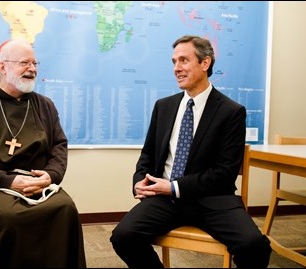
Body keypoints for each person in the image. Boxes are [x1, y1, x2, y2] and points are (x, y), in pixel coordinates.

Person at [110, 35, 272, 268]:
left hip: (213, 200)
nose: (177, 68)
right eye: (174, 61)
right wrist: (139, 181)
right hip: (165, 200)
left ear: (205, 64)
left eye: (184, 60)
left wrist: (174, 187)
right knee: (123, 237)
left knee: (254, 246)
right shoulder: (163, 106)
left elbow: (224, 173)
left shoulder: (231, 112)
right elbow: (147, 156)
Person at [0, 38, 86, 268]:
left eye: (35, 63)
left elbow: (59, 146)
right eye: (25, 63)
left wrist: (51, 175)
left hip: (36, 182)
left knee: (66, 209)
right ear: (2, 66)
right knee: (10, 217)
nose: (32, 69)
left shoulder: (45, 105)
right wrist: (8, 180)